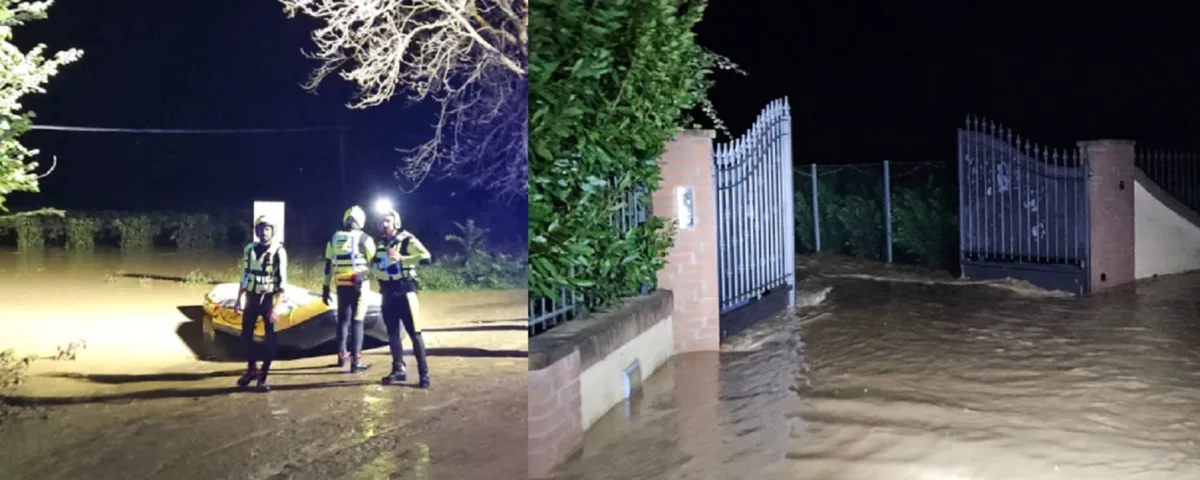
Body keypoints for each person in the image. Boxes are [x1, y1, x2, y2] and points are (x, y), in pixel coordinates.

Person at [371, 207, 433, 388]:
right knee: (392, 334)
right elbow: (376, 263)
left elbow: (427, 257)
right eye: (382, 221)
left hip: (405, 291)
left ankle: (424, 373)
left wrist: (403, 259)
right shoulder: (381, 243)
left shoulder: (407, 240)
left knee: (415, 333)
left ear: (396, 223)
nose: (384, 225)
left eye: (388, 221)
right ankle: (398, 369)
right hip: (387, 293)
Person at [233, 215, 288, 392]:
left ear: (273, 231)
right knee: (245, 336)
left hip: (269, 300)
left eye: (267, 229)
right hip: (251, 297)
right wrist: (237, 299)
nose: (264, 233)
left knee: (270, 340)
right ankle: (251, 369)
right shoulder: (249, 249)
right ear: (256, 231)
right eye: (261, 229)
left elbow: (282, 284)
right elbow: (245, 275)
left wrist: (277, 308)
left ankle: (263, 377)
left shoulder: (279, 252)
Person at [322, 205, 377, 373]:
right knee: (358, 320)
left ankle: (341, 356)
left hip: (341, 283)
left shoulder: (334, 238)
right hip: (360, 283)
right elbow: (374, 261)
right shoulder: (365, 238)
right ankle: (356, 361)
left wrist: (325, 287)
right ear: (361, 221)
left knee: (343, 320)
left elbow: (328, 265)